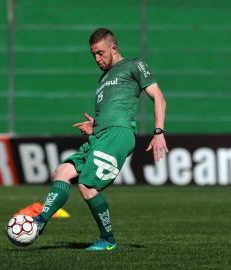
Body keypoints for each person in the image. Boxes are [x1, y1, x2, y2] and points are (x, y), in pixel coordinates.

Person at [34, 28, 168, 251]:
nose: (96, 59)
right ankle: (39, 223)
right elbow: (114, 107)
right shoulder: (104, 77)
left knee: (87, 185)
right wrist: (94, 125)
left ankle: (107, 240)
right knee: (61, 172)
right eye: (93, 55)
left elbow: (159, 97)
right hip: (99, 135)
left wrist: (159, 132)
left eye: (100, 53)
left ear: (113, 49)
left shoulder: (134, 65)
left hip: (118, 134)